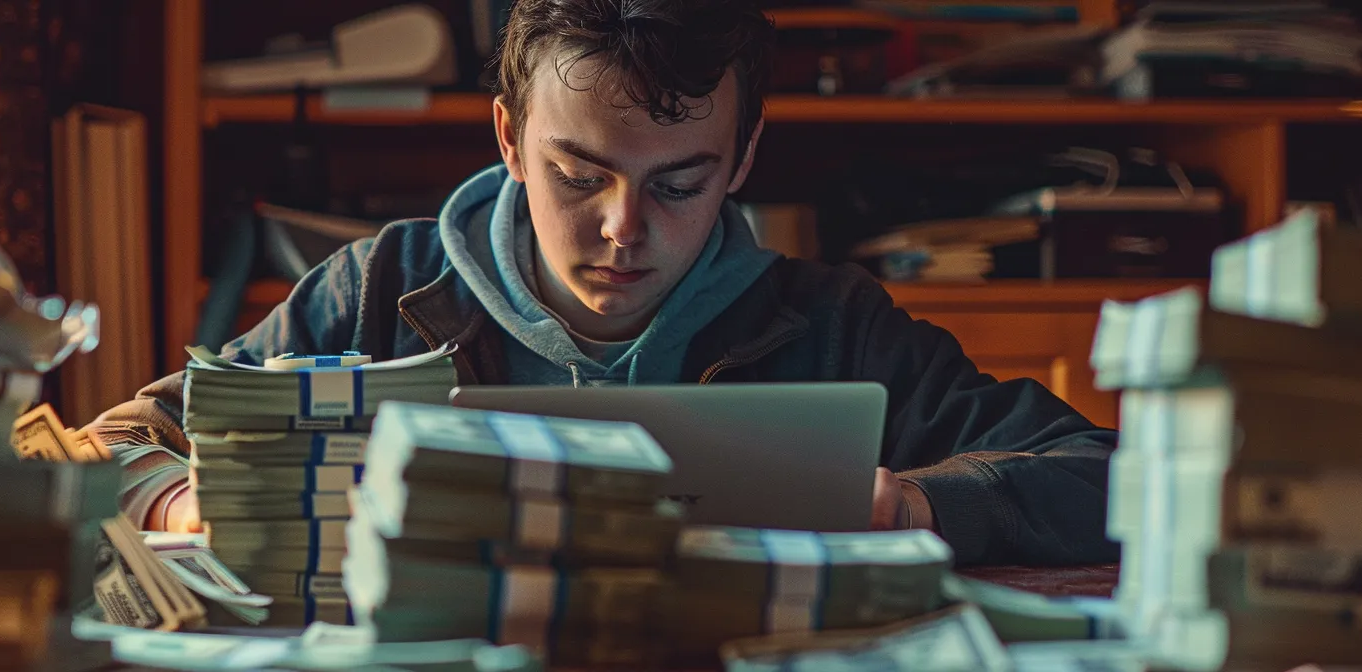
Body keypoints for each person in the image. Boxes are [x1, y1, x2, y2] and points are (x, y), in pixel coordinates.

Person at [89, 0, 1119, 567]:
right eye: (577, 176)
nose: (624, 231)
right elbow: (103, 450)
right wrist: (192, 505)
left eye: (681, 183)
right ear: (506, 138)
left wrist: (915, 508)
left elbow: (1103, 475)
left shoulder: (832, 323)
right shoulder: (378, 292)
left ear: (745, 154)